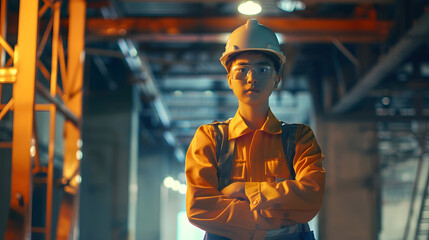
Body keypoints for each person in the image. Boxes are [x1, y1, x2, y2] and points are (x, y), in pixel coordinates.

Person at [185, 19, 326, 240]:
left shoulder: (299, 138)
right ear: (229, 79)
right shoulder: (210, 138)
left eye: (263, 69)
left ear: (277, 79)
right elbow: (199, 208)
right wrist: (276, 217)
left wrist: (244, 190)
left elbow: (311, 198)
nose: (252, 78)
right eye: (242, 69)